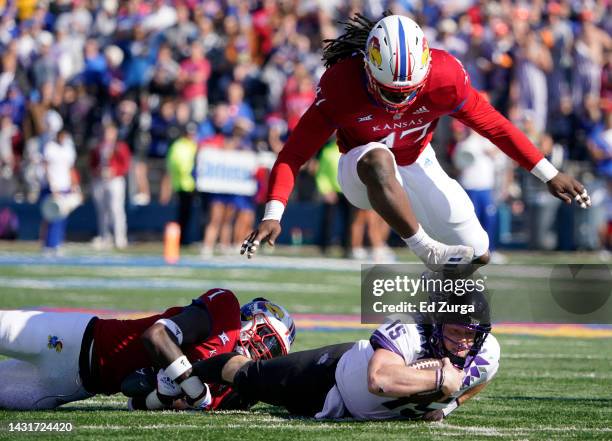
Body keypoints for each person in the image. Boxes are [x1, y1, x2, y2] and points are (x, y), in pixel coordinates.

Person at [241, 13, 591, 271]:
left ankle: (445, 319)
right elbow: (294, 152)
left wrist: (548, 172)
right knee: (378, 159)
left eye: (409, 90)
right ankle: (424, 249)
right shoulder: (342, 85)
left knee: (477, 251)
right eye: (392, 91)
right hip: (361, 171)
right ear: (368, 68)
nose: (401, 99)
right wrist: (274, 211)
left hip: (418, 159)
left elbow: (495, 126)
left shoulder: (445, 77)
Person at [191, 285, 498, 421]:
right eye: (457, 332)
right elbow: (378, 379)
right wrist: (439, 378)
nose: (464, 343)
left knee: (244, 395)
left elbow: (481, 376)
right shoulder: (409, 329)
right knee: (246, 376)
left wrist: (448, 407)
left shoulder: (486, 353)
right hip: (328, 378)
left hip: (355, 410)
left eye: (473, 335)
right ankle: (184, 371)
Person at [0, 289, 294, 411]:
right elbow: (156, 336)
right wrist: (195, 390)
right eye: (267, 338)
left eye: (274, 350)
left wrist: (161, 395)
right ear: (249, 319)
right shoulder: (224, 311)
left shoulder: (232, 393)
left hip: (69, 388)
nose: (264, 352)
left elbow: (135, 401)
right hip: (72, 339)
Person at [90, 122, 131, 249]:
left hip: (115, 180)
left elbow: (126, 165)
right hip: (100, 180)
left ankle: (120, 238)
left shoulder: (121, 147)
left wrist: (115, 172)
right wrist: (98, 172)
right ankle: (104, 236)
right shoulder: (98, 147)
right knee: (102, 210)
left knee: (116, 209)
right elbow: (92, 164)